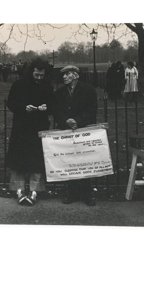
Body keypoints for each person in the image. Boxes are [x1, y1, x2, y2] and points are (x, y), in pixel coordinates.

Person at [6, 57, 54, 205]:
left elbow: (53, 104)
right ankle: (18, 188)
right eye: (36, 75)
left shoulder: (47, 86)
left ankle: (35, 189)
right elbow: (11, 103)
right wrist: (23, 108)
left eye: (41, 75)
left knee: (37, 158)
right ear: (31, 72)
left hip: (39, 126)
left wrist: (47, 107)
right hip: (22, 126)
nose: (39, 78)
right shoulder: (18, 85)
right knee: (19, 158)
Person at [53, 65, 98, 206]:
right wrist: (66, 120)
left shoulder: (88, 90)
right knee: (70, 161)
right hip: (66, 131)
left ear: (76, 75)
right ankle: (71, 192)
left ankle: (86, 193)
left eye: (68, 74)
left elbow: (92, 110)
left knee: (84, 161)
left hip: (82, 130)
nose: (64, 77)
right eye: (63, 75)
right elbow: (56, 110)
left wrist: (77, 121)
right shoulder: (59, 93)